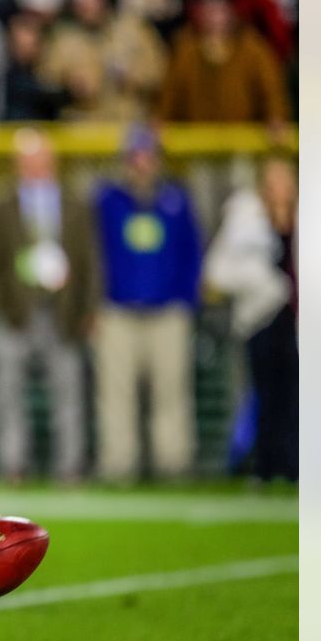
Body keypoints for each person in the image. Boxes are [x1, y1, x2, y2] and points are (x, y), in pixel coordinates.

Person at [0, 129, 100, 485]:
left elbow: (89, 261)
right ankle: (13, 466)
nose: (34, 167)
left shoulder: (75, 205)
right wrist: (3, 305)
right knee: (8, 394)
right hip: (16, 314)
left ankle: (69, 468)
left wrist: (87, 309)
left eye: (40, 159)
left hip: (62, 312)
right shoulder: (0, 206)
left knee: (68, 393)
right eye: (27, 160)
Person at [91, 125, 203, 481]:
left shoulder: (176, 201)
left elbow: (192, 255)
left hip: (167, 311)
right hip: (118, 311)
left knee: (171, 392)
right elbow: (92, 255)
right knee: (115, 394)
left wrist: (186, 300)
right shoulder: (107, 201)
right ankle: (118, 465)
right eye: (135, 157)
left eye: (147, 156)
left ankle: (174, 464)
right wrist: (96, 304)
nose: (141, 164)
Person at [204, 152, 297, 481]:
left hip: (299, 320)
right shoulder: (246, 217)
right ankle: (266, 465)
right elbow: (217, 271)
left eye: (285, 179)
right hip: (262, 318)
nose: (279, 187)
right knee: (265, 395)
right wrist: (269, 287)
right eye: (272, 180)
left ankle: (297, 465)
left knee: (299, 395)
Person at [156, 0, 288, 131]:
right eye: (208, 10)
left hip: (244, 141)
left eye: (220, 10)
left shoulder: (253, 49)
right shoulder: (185, 49)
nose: (214, 18)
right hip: (195, 140)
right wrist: (161, 122)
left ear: (231, 12)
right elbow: (169, 95)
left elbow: (271, 92)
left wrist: (275, 118)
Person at [38, 0, 167, 121]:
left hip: (129, 130)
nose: (83, 4)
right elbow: (44, 85)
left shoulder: (135, 31)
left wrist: (131, 77)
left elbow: (160, 75)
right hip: (81, 129)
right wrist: (68, 88)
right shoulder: (62, 39)